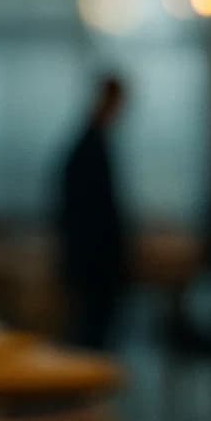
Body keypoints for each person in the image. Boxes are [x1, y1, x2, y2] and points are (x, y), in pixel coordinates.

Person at [55, 76, 130, 350]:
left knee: (92, 337)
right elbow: (95, 214)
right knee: (90, 340)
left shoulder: (91, 143)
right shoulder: (90, 147)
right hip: (94, 264)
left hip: (91, 262)